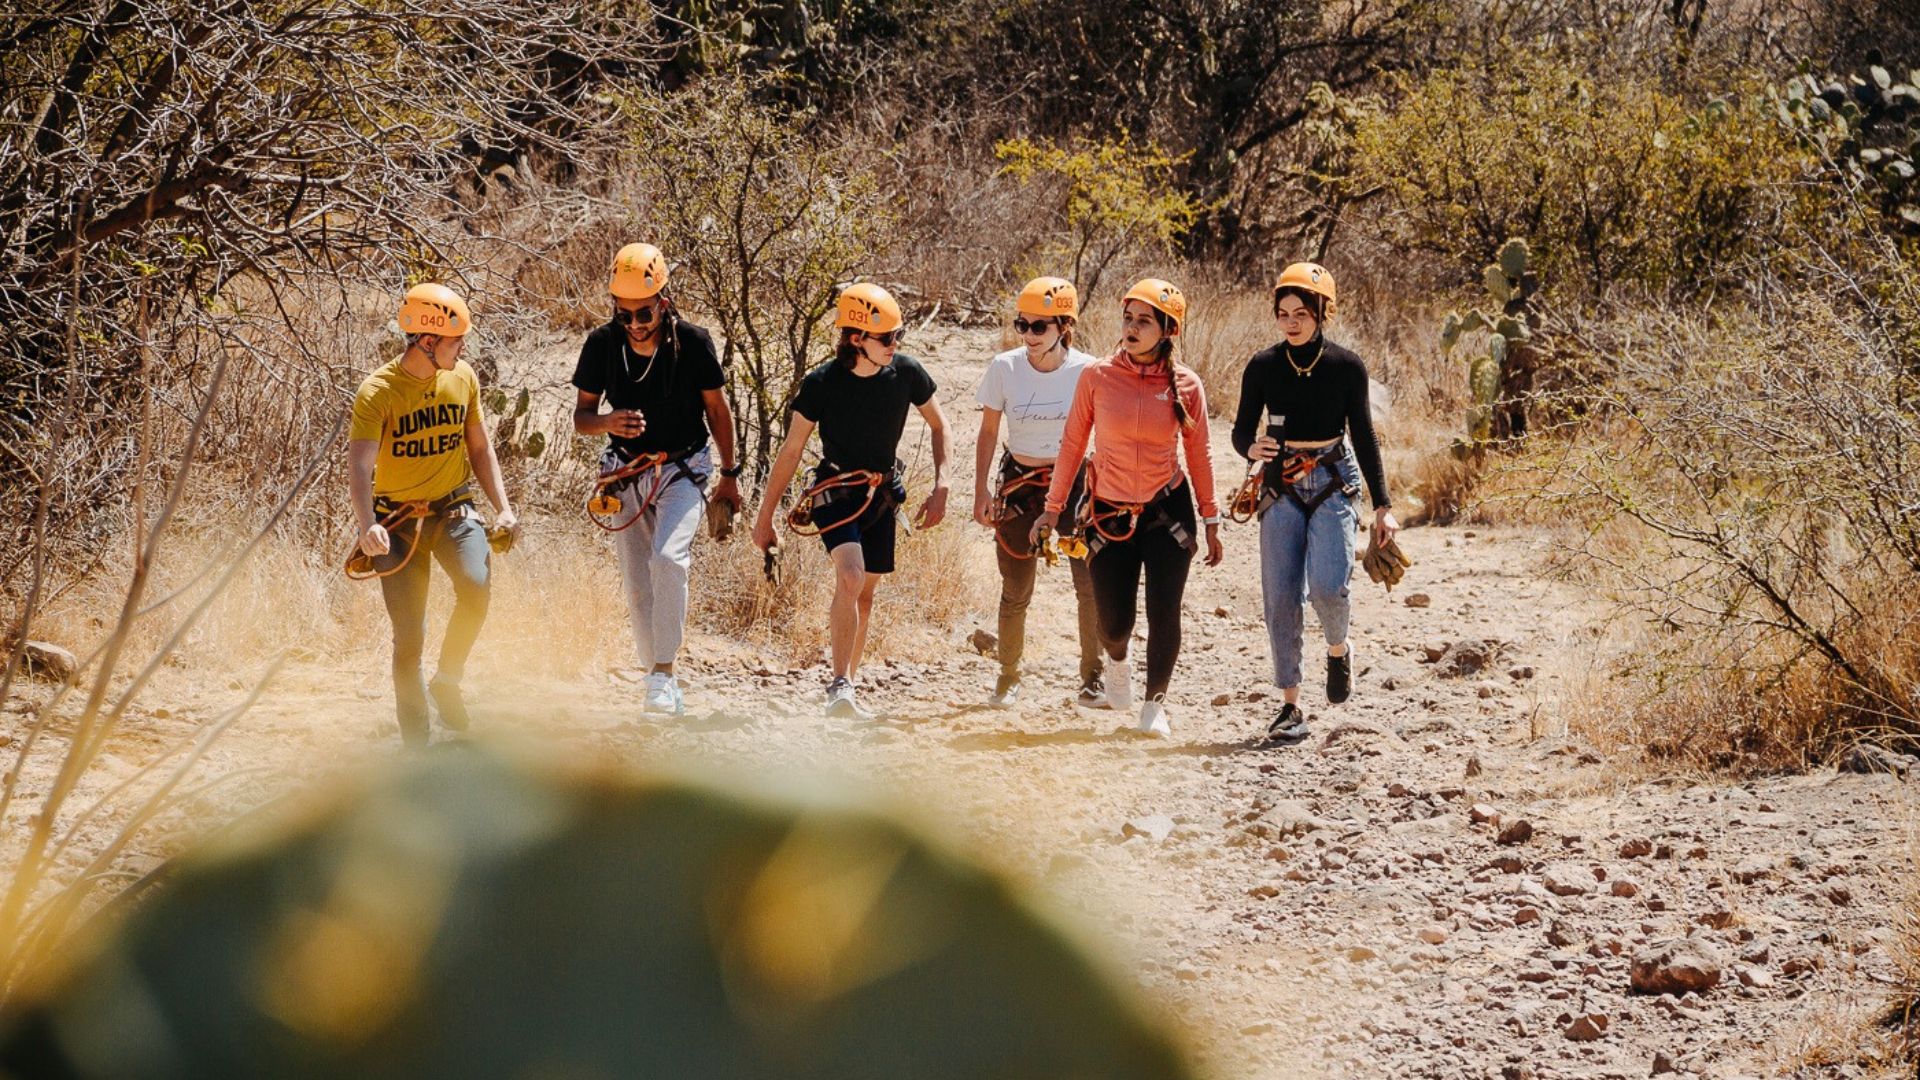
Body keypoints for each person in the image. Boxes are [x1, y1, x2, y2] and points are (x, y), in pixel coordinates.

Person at [1030, 279, 1223, 739]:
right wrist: (1052, 509)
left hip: (1166, 512)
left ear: (1167, 330)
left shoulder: (1186, 385)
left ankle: (1155, 704)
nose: (1132, 328)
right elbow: (1073, 444)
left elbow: (1200, 453)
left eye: (1144, 321)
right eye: (1128, 318)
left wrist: (1211, 518)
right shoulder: (1096, 377)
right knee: (1114, 622)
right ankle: (1117, 660)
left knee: (1164, 610)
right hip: (1108, 510)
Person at [751, 283, 950, 719]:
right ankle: (838, 684)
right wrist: (763, 518)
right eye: (886, 338)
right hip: (835, 491)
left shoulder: (908, 373)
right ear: (856, 339)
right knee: (850, 575)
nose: (894, 345)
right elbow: (790, 450)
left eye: (898, 335)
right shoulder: (822, 383)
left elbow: (940, 425)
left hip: (882, 495)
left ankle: (848, 687)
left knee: (865, 594)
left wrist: (942, 484)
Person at [1230, 262, 1398, 745]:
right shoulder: (1262, 366)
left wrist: (1383, 505)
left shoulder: (1346, 367)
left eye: (1301, 312)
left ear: (1322, 313)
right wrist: (1250, 448)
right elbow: (1243, 428)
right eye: (1283, 313)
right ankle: (1290, 705)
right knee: (1280, 596)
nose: (1291, 322)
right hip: (1280, 483)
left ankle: (1339, 647)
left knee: (1328, 587)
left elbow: (1363, 436)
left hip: (1332, 479)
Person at [572, 243, 743, 716]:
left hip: (684, 468)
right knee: (637, 583)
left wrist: (729, 477)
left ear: (663, 302)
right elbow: (581, 415)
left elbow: (717, 410)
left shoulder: (693, 342)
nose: (633, 324)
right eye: (623, 314)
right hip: (625, 472)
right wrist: (607, 422)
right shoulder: (602, 344)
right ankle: (658, 681)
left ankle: (664, 674)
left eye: (642, 313)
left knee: (669, 559)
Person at [348, 283, 518, 747]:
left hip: (452, 509)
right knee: (409, 637)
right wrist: (368, 528)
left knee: (477, 586)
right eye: (455, 339)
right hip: (397, 523)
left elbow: (480, 448)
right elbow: (360, 467)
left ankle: (448, 680)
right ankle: (416, 743)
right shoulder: (377, 391)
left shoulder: (462, 378)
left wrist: (503, 507)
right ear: (427, 340)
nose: (463, 348)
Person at [972, 277, 1106, 709]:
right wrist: (980, 491)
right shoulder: (1004, 368)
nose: (1028, 335)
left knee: (1088, 586)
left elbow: (1105, 433)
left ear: (1064, 327)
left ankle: (1093, 678)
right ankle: (1009, 675)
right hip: (1019, 485)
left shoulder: (1088, 370)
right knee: (1015, 588)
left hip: (1075, 488)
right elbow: (989, 431)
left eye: (1039, 327)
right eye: (1022, 325)